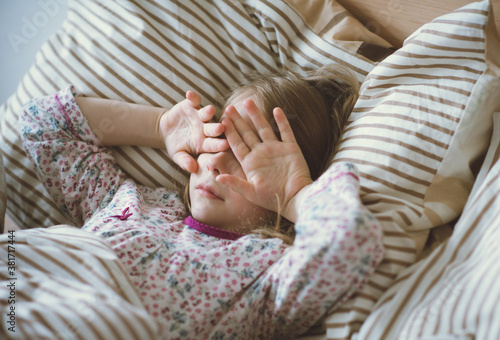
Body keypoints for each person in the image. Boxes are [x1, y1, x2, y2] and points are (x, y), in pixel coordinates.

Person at [19, 65, 384, 339]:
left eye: (248, 152)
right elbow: (43, 125)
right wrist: (159, 127)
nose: (216, 159)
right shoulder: (134, 200)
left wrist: (293, 193)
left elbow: (352, 244)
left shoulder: (265, 270)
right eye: (219, 136)